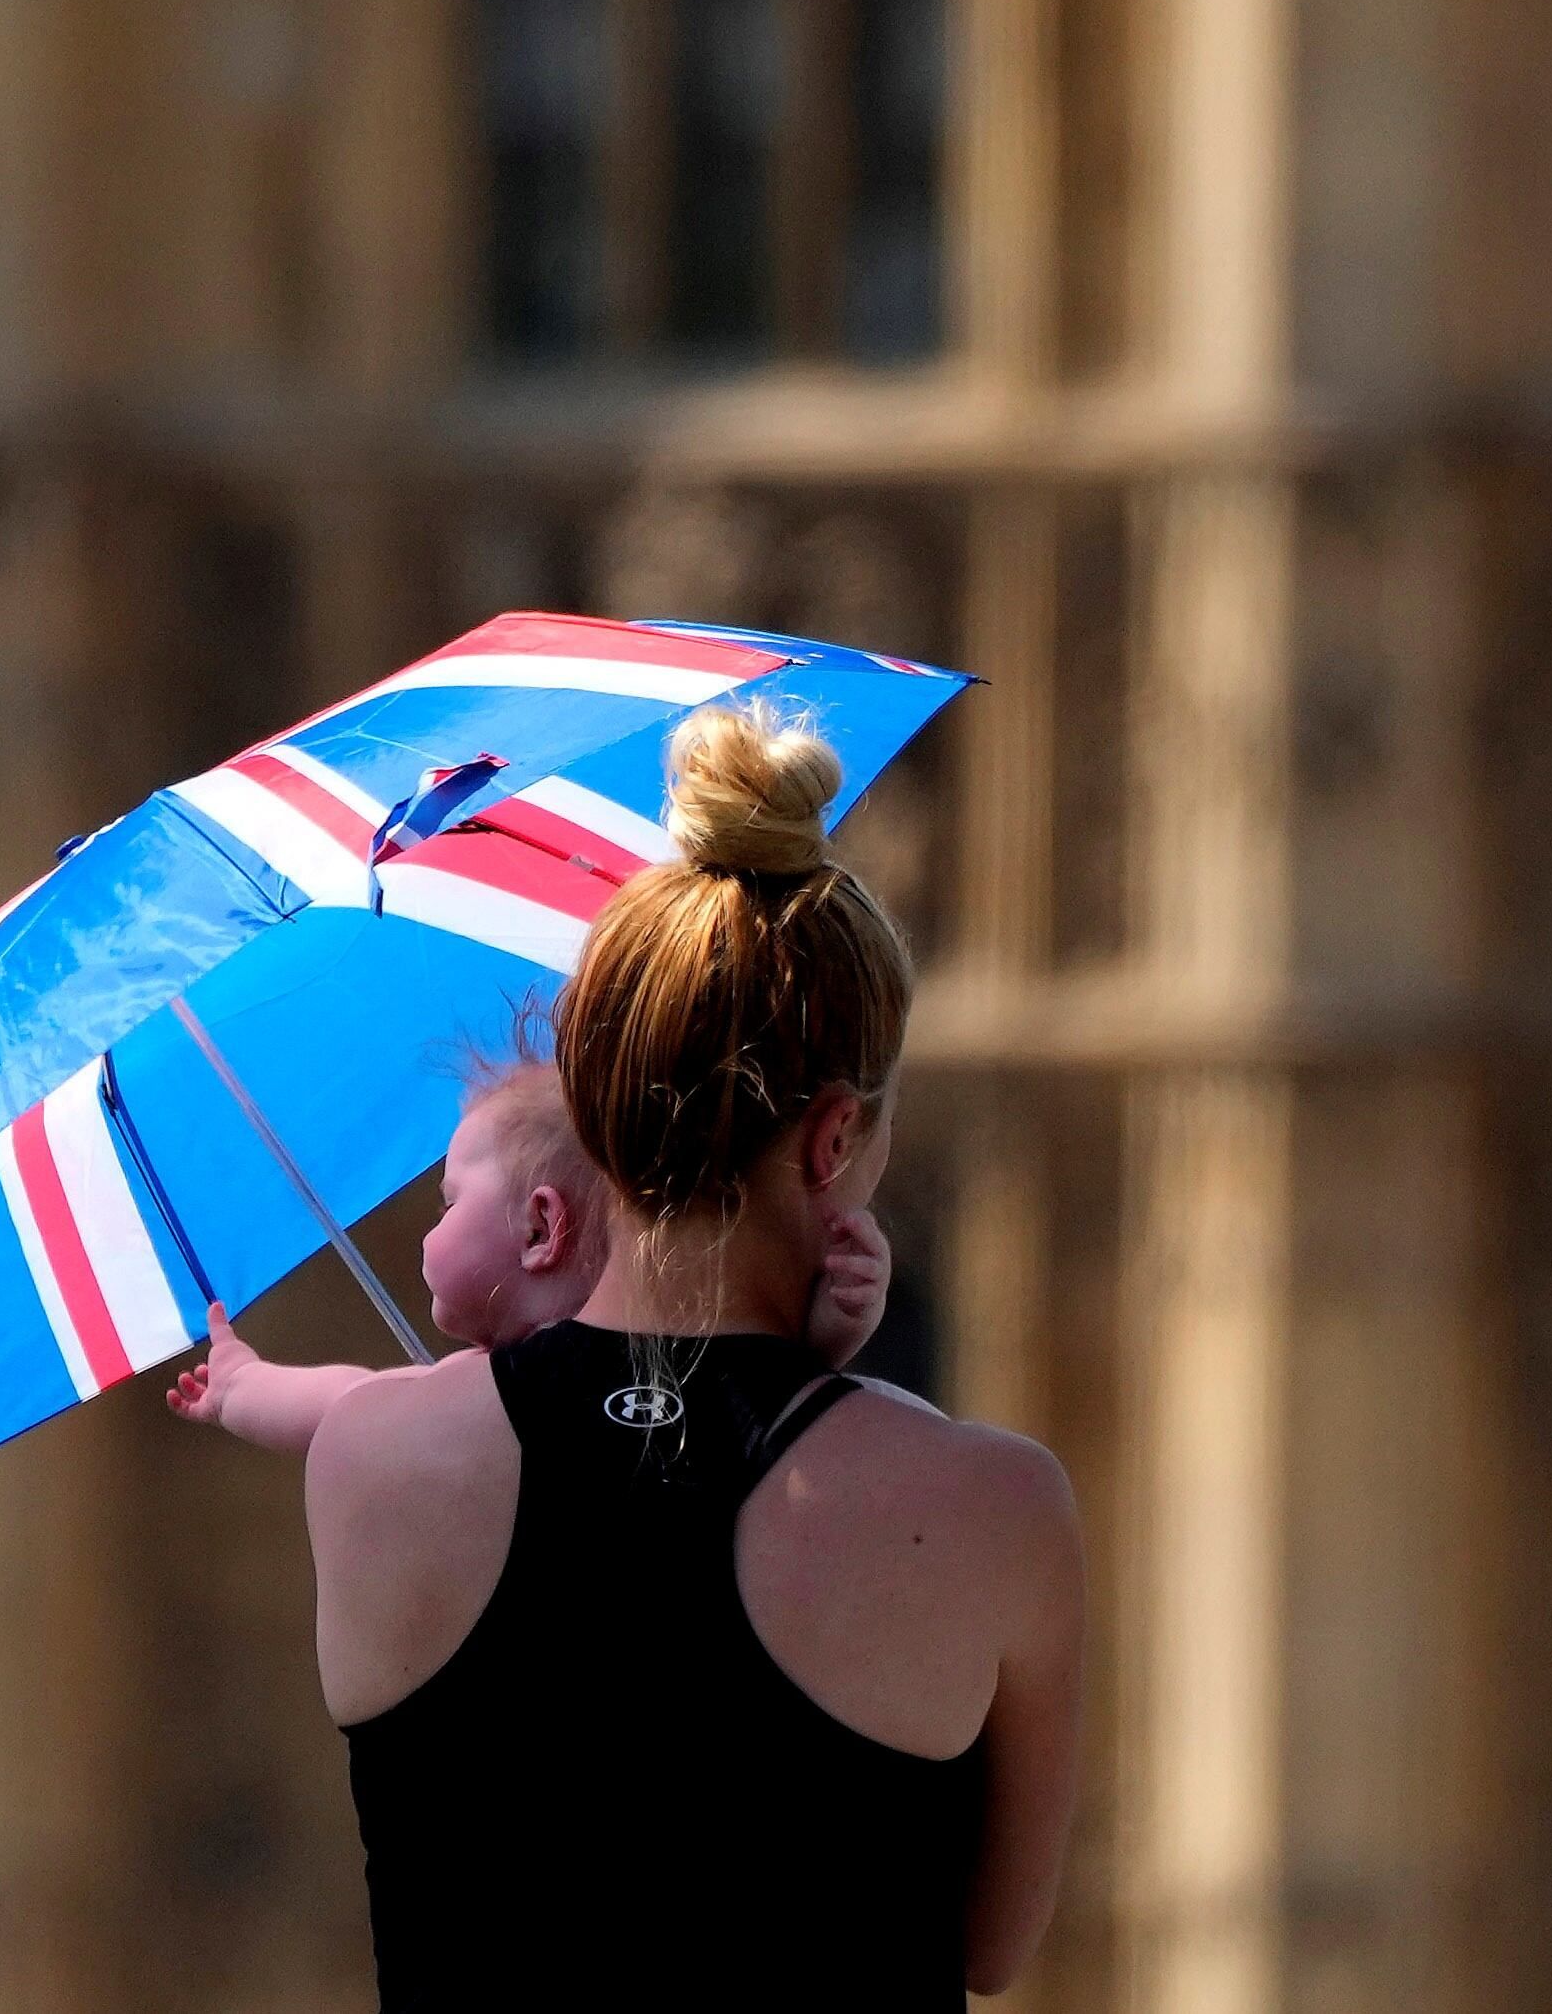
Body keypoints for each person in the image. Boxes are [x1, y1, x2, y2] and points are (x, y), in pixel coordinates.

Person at [298, 702, 1086, 2009]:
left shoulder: (371, 1454)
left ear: (590, 1100)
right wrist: (833, 1382)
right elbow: (986, 1944)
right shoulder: (994, 1507)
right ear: (834, 1136)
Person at [166, 1058, 897, 1453]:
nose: (429, 1230)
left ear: (540, 1228)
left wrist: (242, 1388)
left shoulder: (483, 1388)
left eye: (450, 1202)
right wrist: (830, 1329)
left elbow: (343, 1407)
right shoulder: (676, 1348)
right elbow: (771, 1394)